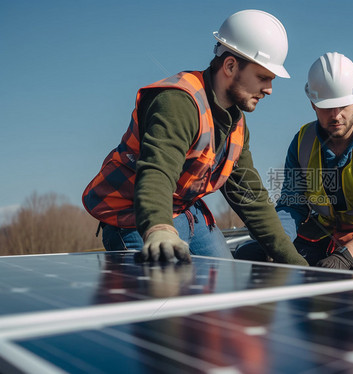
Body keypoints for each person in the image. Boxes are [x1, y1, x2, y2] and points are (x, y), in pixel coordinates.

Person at [82, 10, 308, 266]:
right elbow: (157, 172)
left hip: (185, 212)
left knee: (220, 283)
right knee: (168, 291)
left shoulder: (236, 125)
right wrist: (158, 228)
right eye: (263, 77)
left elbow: (250, 195)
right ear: (230, 66)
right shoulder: (178, 103)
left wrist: (296, 264)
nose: (269, 89)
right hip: (135, 214)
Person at [235, 52, 353, 276]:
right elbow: (293, 204)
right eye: (326, 106)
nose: (336, 115)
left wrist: (345, 256)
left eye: (343, 105)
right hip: (325, 232)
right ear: (312, 103)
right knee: (254, 253)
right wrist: (278, 245)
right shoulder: (303, 141)